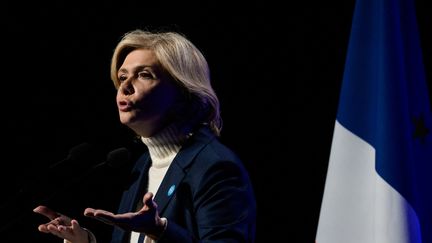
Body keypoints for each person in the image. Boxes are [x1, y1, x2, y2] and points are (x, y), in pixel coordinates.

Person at [33, 29, 257, 243]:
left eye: (143, 75)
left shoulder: (216, 167)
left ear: (183, 91)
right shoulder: (143, 164)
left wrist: (160, 231)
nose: (125, 87)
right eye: (122, 77)